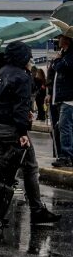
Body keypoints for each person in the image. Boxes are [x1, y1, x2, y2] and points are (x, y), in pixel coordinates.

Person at [0, 41, 61, 226]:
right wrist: (22, 131)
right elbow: (19, 106)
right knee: (30, 168)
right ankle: (36, 210)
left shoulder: (0, 71)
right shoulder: (22, 77)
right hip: (12, 129)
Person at [48, 36, 73, 168]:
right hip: (61, 97)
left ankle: (66, 155)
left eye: (61, 38)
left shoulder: (69, 56)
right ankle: (65, 154)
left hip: (68, 98)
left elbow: (61, 67)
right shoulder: (64, 54)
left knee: (65, 127)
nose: (58, 40)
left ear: (67, 40)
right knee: (61, 127)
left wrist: (57, 60)